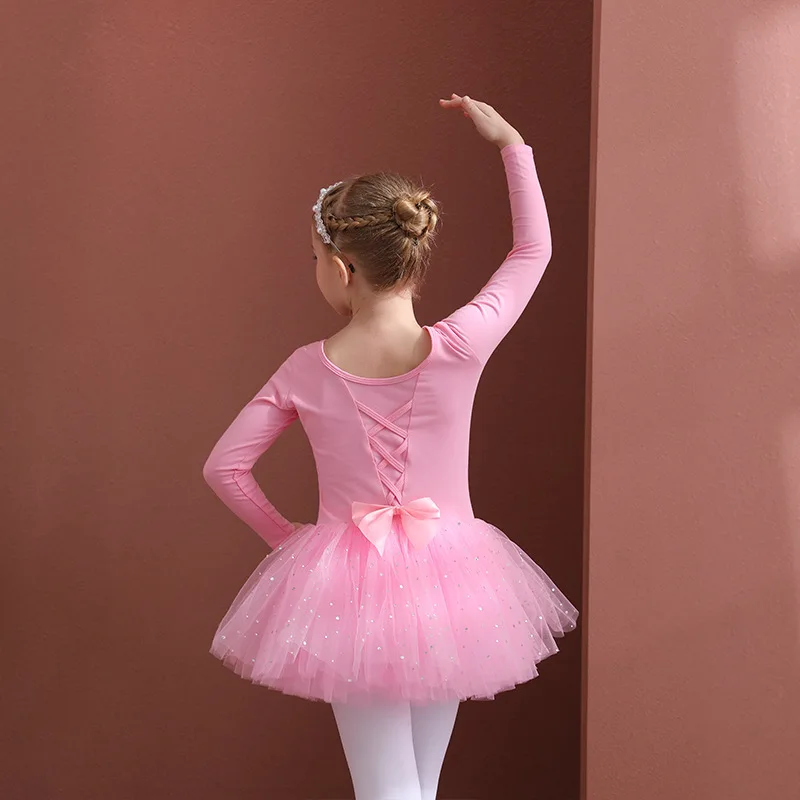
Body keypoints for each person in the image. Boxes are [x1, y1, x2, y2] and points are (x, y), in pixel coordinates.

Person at [202, 93, 580, 800]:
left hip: (349, 587)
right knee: (418, 789)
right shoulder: (463, 344)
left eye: (315, 257)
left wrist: (288, 542)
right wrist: (511, 144)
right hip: (458, 582)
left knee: (385, 790)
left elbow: (225, 468)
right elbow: (533, 251)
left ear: (342, 269)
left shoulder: (305, 369)